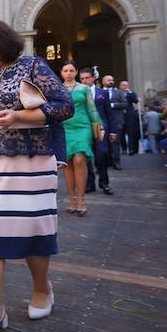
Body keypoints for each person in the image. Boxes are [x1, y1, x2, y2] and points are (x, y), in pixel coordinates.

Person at [0, 19, 72, 332]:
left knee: (33, 227)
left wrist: (20, 116)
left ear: (2, 42)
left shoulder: (32, 66)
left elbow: (64, 106)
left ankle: (42, 290)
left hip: (31, 159)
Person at [59, 61, 102, 216]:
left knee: (79, 159)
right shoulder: (57, 89)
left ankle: (81, 200)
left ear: (76, 72)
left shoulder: (84, 88)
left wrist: (98, 126)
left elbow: (91, 108)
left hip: (83, 126)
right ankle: (72, 199)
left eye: (71, 70)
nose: (69, 73)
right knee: (68, 163)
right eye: (66, 70)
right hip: (64, 127)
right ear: (61, 73)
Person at [80, 67, 113, 195]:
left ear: (93, 78)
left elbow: (109, 114)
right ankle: (90, 183)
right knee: (86, 157)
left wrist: (113, 131)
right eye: (82, 79)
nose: (84, 81)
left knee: (102, 154)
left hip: (100, 128)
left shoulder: (102, 93)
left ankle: (104, 183)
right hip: (84, 128)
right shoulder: (78, 93)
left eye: (87, 78)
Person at [100, 75, 127, 169]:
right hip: (103, 121)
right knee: (103, 143)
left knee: (115, 143)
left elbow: (124, 104)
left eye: (112, 80)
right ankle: (105, 163)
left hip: (117, 120)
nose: (111, 81)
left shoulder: (118, 92)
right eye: (108, 80)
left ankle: (117, 162)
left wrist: (113, 105)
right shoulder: (98, 92)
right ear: (103, 81)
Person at [119, 81, 140, 155]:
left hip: (129, 116)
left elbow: (136, 101)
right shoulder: (117, 93)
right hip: (120, 115)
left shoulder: (131, 93)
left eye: (126, 85)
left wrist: (130, 93)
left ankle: (131, 149)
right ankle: (124, 149)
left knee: (131, 133)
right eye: (123, 85)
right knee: (121, 133)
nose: (125, 87)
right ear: (120, 86)